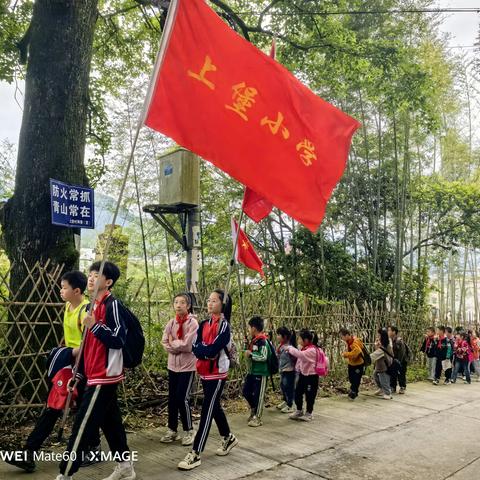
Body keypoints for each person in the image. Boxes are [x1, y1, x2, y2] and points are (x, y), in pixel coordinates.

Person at [4, 271, 100, 474]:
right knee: (54, 406)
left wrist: (68, 353)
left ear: (76, 291)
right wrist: (65, 354)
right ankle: (29, 452)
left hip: (84, 366)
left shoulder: (85, 311)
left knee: (86, 409)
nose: (60, 290)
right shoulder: (68, 306)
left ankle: (94, 447)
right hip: (69, 366)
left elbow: (90, 344)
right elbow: (71, 339)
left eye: (64, 287)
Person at [56, 261, 136, 480]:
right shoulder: (91, 306)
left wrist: (95, 325)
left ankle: (65, 473)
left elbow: (119, 339)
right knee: (110, 423)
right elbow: (87, 346)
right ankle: (125, 466)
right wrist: (78, 374)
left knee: (83, 424)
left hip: (105, 376)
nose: (90, 278)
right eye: (90, 275)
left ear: (108, 282)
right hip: (92, 373)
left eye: (96, 275)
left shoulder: (113, 305)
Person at [178, 290, 238, 471]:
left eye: (214, 301)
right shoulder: (204, 324)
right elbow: (195, 347)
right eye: (209, 300)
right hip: (204, 371)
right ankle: (228, 437)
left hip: (218, 373)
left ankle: (195, 453)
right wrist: (206, 349)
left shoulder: (225, 326)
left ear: (223, 304)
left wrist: (206, 349)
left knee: (207, 410)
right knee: (214, 406)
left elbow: (213, 350)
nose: (210, 303)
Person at [161, 293, 198, 445]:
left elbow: (188, 345)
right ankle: (172, 430)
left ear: (188, 306)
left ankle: (189, 429)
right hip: (173, 366)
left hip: (187, 367)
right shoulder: (171, 323)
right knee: (172, 399)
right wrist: (176, 345)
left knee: (182, 398)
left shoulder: (193, 323)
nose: (178, 305)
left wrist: (174, 343)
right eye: (176, 302)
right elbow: (164, 341)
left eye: (182, 302)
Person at [285, 329, 324, 422]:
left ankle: (309, 413)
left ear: (306, 340)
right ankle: (299, 410)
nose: (298, 341)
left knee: (310, 395)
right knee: (298, 392)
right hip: (303, 375)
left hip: (311, 376)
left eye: (300, 339)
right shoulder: (305, 348)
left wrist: (289, 348)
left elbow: (299, 355)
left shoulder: (312, 350)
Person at [242, 316, 270, 427]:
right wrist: (246, 345)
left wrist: (252, 354)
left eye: (249, 327)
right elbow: (247, 353)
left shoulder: (262, 341)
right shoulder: (254, 340)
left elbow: (263, 356)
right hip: (252, 372)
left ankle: (257, 418)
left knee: (258, 395)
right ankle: (253, 409)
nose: (249, 330)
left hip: (261, 372)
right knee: (246, 391)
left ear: (254, 328)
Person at [340, 328, 366, 400]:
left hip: (358, 364)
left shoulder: (354, 342)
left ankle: (353, 393)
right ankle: (354, 391)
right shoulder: (349, 341)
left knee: (356, 379)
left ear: (347, 335)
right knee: (351, 378)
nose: (341, 338)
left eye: (342, 336)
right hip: (352, 363)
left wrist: (346, 354)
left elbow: (357, 351)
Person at [276, 327, 297, 414]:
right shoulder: (281, 346)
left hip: (289, 371)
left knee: (289, 388)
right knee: (283, 386)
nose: (277, 337)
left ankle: (290, 405)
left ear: (284, 337)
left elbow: (296, 357)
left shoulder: (290, 347)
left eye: (278, 335)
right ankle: (285, 400)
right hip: (283, 370)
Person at [371, 328, 393, 400]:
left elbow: (376, 354)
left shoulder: (387, 345)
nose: (378, 336)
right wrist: (377, 345)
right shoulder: (382, 344)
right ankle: (381, 389)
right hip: (379, 364)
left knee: (383, 379)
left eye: (379, 335)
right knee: (375, 375)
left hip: (384, 365)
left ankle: (387, 393)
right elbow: (378, 351)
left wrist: (366, 359)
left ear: (383, 336)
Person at [388, 326, 409, 394]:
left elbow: (402, 353)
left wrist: (399, 362)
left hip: (401, 361)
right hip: (394, 360)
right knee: (393, 373)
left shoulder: (399, 341)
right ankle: (393, 387)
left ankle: (402, 387)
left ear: (394, 332)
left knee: (401, 374)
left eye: (389, 330)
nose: (388, 332)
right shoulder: (390, 340)